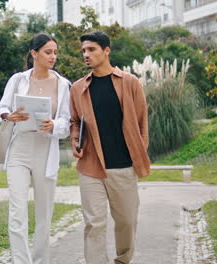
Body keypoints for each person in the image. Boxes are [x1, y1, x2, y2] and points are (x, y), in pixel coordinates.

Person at [69, 31, 150, 264]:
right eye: (84, 50)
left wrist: (139, 152)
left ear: (106, 51)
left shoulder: (130, 82)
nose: (86, 54)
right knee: (94, 223)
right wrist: (75, 140)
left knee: (126, 221)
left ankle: (123, 260)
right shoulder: (78, 88)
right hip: (90, 166)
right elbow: (75, 122)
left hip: (123, 165)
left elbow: (142, 122)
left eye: (91, 49)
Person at [0, 33, 71, 264]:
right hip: (19, 148)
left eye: (55, 52)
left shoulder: (63, 84)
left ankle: (39, 261)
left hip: (46, 150)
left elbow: (66, 122)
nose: (53, 56)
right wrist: (10, 115)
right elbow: (1, 110)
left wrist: (54, 125)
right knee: (17, 212)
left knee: (44, 215)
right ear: (34, 53)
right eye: (48, 52)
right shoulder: (17, 80)